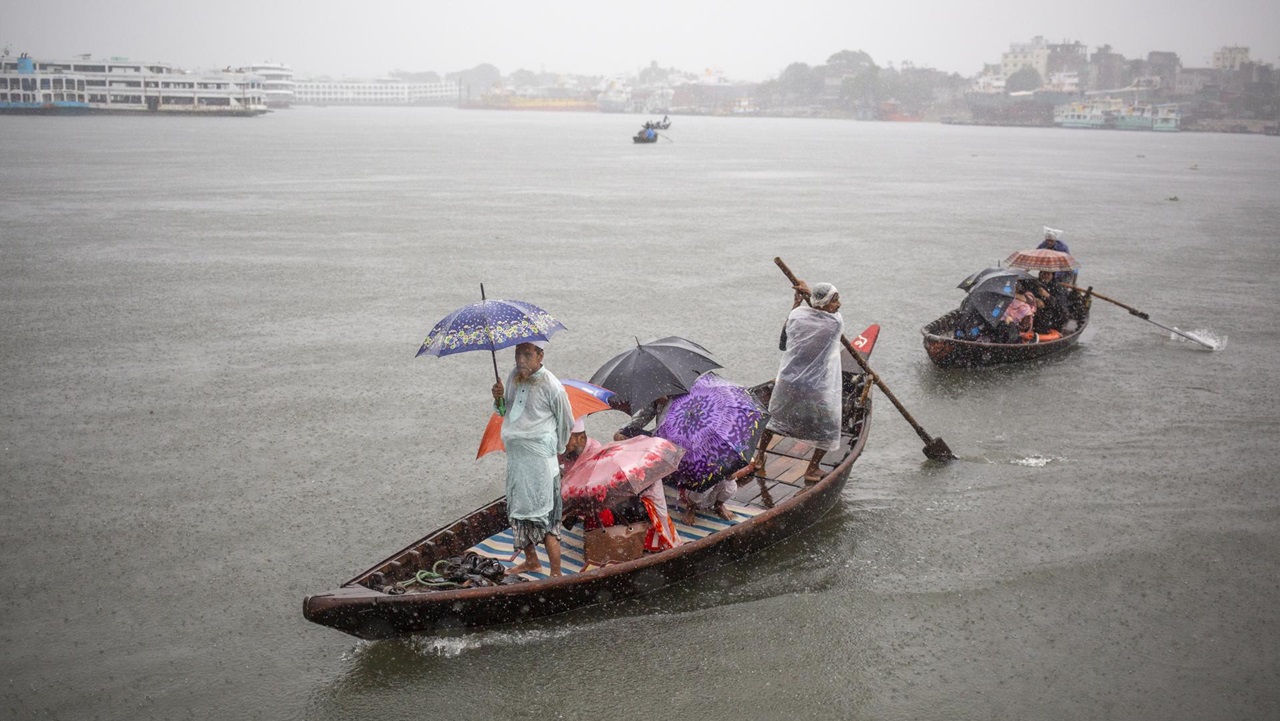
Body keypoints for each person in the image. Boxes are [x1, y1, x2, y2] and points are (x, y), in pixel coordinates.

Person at [491, 341, 573, 576]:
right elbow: (504, 411)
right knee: (519, 511)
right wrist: (497, 397)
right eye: (518, 355)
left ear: (540, 355)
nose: (521, 360)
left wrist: (555, 448)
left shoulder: (552, 386)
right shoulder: (513, 377)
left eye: (527, 355)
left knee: (545, 518)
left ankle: (555, 573)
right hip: (518, 460)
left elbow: (565, 421)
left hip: (541, 461)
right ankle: (531, 561)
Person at [754, 279, 844, 484]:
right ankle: (812, 469)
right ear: (826, 304)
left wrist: (799, 301)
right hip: (813, 386)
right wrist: (809, 293)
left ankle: (759, 457)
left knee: (774, 420)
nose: (839, 305)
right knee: (828, 426)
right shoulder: (834, 323)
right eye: (835, 301)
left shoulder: (796, 316)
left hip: (788, 381)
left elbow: (783, 343)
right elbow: (822, 309)